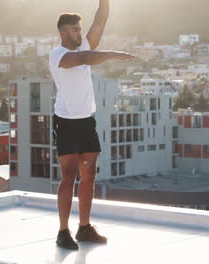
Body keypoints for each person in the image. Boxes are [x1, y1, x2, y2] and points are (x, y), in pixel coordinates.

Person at [49, 0, 135, 250]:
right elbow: (85, 58)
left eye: (79, 28)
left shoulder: (83, 45)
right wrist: (113, 54)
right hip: (66, 122)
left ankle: (84, 228)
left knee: (89, 175)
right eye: (75, 29)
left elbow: (100, 20)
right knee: (69, 176)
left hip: (87, 121)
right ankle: (63, 231)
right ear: (64, 33)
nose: (79, 32)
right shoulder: (58, 56)